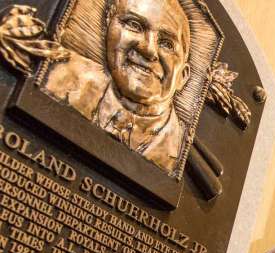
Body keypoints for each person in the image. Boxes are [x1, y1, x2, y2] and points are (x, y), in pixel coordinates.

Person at [44, 0, 191, 174]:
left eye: (167, 43)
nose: (148, 49)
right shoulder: (57, 75)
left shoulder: (180, 152)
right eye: (135, 25)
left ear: (183, 76)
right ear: (108, 28)